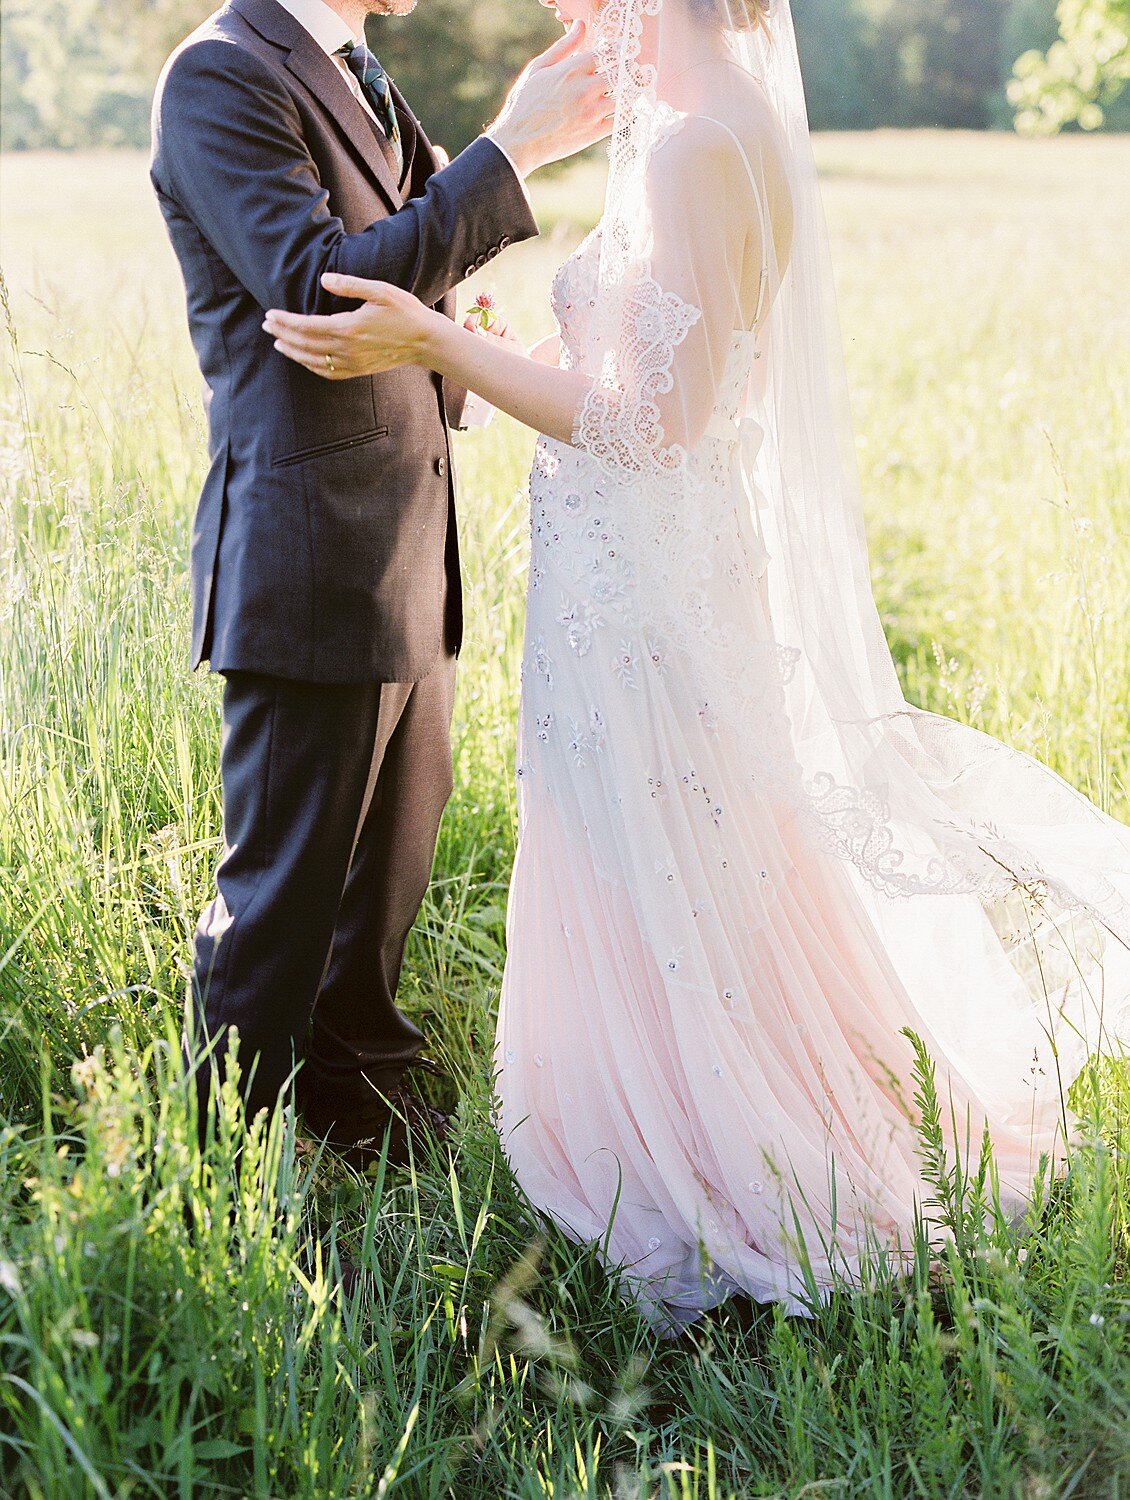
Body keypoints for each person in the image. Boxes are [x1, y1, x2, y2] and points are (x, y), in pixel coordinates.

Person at [264, 0, 1130, 1328]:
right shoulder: (713, 124)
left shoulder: (691, 148)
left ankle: (724, 1150)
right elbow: (679, 360)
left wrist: (441, 344)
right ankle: (702, 1088)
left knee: (665, 851)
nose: (563, 7)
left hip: (645, 588)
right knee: (695, 850)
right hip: (651, 567)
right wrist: (515, 345)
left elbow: (648, 423)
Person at [150, 0, 613, 1166]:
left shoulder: (354, 65)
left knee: (386, 866)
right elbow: (318, 293)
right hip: (307, 550)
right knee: (286, 889)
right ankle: (230, 1165)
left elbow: (398, 266)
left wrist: (449, 340)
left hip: (404, 531)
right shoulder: (219, 74)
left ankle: (360, 1108)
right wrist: (509, 153)